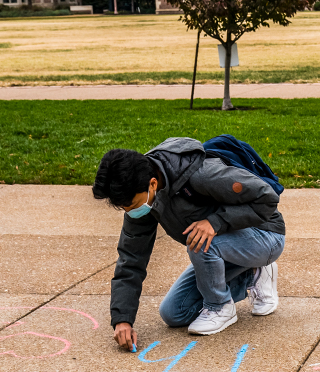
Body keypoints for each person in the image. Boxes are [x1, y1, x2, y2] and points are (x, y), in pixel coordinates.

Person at [92, 138, 286, 348]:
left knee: (200, 240)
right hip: (221, 246)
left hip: (265, 234)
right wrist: (122, 319)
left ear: (153, 184)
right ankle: (253, 274)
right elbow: (131, 258)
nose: (130, 212)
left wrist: (216, 222)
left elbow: (267, 198)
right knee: (174, 313)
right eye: (124, 208)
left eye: (132, 205)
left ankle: (220, 307)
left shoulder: (202, 174)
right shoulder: (142, 193)